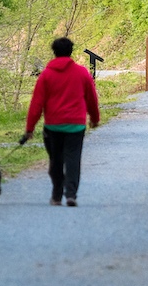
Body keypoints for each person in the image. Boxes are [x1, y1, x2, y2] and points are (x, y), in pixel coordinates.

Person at [24, 37, 100, 207]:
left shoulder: (46, 75)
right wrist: (94, 118)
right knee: (73, 160)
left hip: (53, 126)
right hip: (76, 126)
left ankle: (57, 196)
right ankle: (71, 194)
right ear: (71, 51)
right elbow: (91, 99)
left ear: (54, 52)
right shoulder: (82, 73)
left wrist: (29, 128)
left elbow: (36, 104)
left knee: (56, 161)